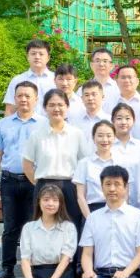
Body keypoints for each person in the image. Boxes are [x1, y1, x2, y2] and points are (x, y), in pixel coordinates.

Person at [0, 80, 42, 278]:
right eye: (20, 95)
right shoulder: (3, 124)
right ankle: (7, 267)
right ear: (15, 98)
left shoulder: (44, 124)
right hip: (9, 181)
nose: (23, 99)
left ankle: (35, 268)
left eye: (28, 96)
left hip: (34, 182)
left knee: (33, 226)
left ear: (36, 99)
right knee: (10, 226)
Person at [22, 88, 92, 232]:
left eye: (60, 105)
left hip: (70, 187)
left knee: (72, 228)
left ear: (67, 107)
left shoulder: (76, 134)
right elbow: (27, 164)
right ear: (45, 108)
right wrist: (39, 183)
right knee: (44, 228)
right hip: (44, 186)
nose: (56, 109)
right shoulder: (37, 135)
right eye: (52, 105)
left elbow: (85, 163)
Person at [74, 120, 121, 216]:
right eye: (100, 136)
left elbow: (125, 193)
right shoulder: (84, 163)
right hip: (92, 210)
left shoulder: (121, 162)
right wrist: (90, 219)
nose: (105, 140)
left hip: (116, 209)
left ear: (114, 138)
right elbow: (80, 196)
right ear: (93, 138)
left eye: (109, 136)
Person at [3, 39, 55, 116]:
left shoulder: (56, 80)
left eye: (41, 54)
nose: (37, 57)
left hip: (51, 123)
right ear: (27, 56)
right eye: (33, 54)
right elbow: (10, 110)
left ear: (48, 58)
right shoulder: (17, 80)